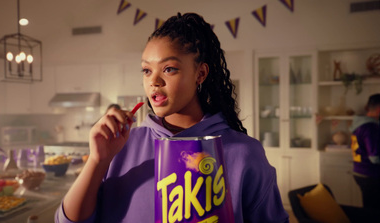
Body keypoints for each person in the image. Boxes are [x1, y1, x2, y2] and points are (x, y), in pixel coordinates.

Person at [55, 13, 288, 223]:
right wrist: (98, 160)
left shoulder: (244, 152)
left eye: (169, 69)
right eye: (147, 70)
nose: (154, 81)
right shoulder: (119, 146)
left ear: (201, 73)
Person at [350, 93, 380, 210]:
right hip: (370, 174)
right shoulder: (371, 127)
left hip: (359, 171)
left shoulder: (359, 124)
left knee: (369, 208)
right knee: (373, 211)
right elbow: (374, 157)